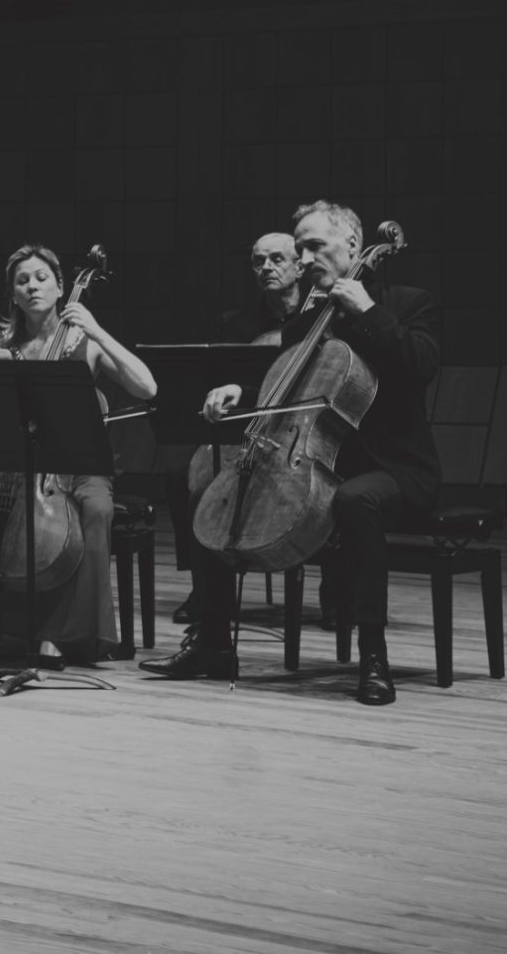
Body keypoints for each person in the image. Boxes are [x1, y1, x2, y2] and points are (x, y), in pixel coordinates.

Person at [142, 201, 440, 705]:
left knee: (355, 500)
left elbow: (422, 365)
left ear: (353, 245)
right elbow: (283, 385)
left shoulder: (407, 303)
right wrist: (240, 391)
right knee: (217, 488)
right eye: (299, 248)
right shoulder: (307, 321)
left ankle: (373, 656)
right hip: (320, 461)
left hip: (393, 468)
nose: (303, 258)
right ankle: (213, 643)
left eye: (314, 246)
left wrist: (367, 311)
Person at [0, 244, 157, 668]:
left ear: (60, 287)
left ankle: (58, 633)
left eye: (41, 278)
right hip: (7, 464)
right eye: (22, 281)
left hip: (76, 468)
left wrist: (97, 331)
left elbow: (147, 387)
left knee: (97, 511)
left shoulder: (86, 343)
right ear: (13, 294)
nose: (32, 286)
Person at [167, 231, 303, 622]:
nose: (266, 268)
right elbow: (214, 381)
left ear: (300, 266)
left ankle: (335, 593)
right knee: (181, 475)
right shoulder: (234, 324)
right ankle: (204, 586)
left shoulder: (316, 318)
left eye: (277, 259)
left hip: (297, 431)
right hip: (244, 429)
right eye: (259, 261)